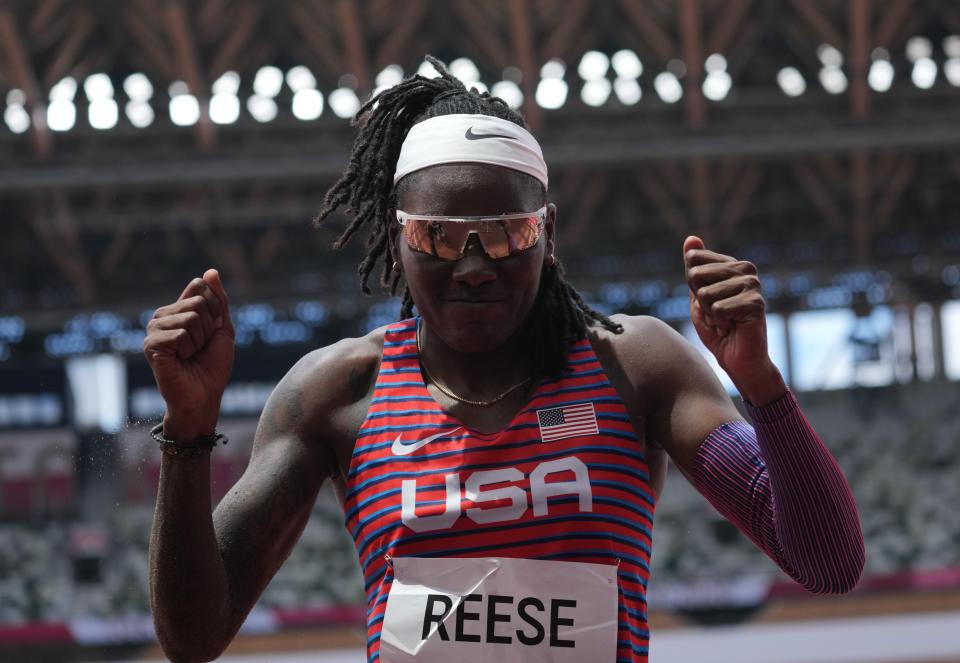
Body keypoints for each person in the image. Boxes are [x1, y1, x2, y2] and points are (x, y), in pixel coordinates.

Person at [145, 57, 864, 663]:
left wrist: (762, 387)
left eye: (505, 231)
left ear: (547, 232)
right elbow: (193, 637)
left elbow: (828, 563)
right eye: (437, 237)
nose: (475, 265)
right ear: (397, 240)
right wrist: (187, 428)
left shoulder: (635, 366)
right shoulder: (337, 393)